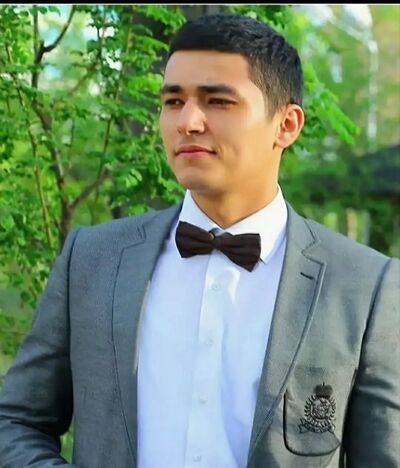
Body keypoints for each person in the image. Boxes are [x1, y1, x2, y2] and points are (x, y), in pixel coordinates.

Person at [0, 12, 399, 468]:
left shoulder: (364, 285)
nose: (187, 121)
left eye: (218, 101)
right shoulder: (93, 259)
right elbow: (17, 421)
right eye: (173, 101)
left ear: (286, 124)